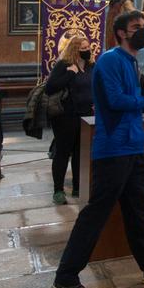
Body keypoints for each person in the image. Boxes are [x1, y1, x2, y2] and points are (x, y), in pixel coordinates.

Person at [51, 10, 144, 288]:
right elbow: (115, 100)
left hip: (133, 145)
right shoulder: (110, 59)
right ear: (121, 32)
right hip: (114, 148)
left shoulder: (131, 61)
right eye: (136, 27)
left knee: (137, 209)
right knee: (96, 213)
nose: (142, 31)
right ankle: (65, 277)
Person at [44, 32, 95, 205]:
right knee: (63, 153)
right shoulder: (64, 65)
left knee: (81, 152)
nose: (87, 51)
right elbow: (50, 88)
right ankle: (58, 190)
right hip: (65, 116)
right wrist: (70, 74)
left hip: (86, 115)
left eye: (88, 48)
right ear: (74, 50)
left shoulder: (90, 66)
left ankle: (77, 187)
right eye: (83, 48)